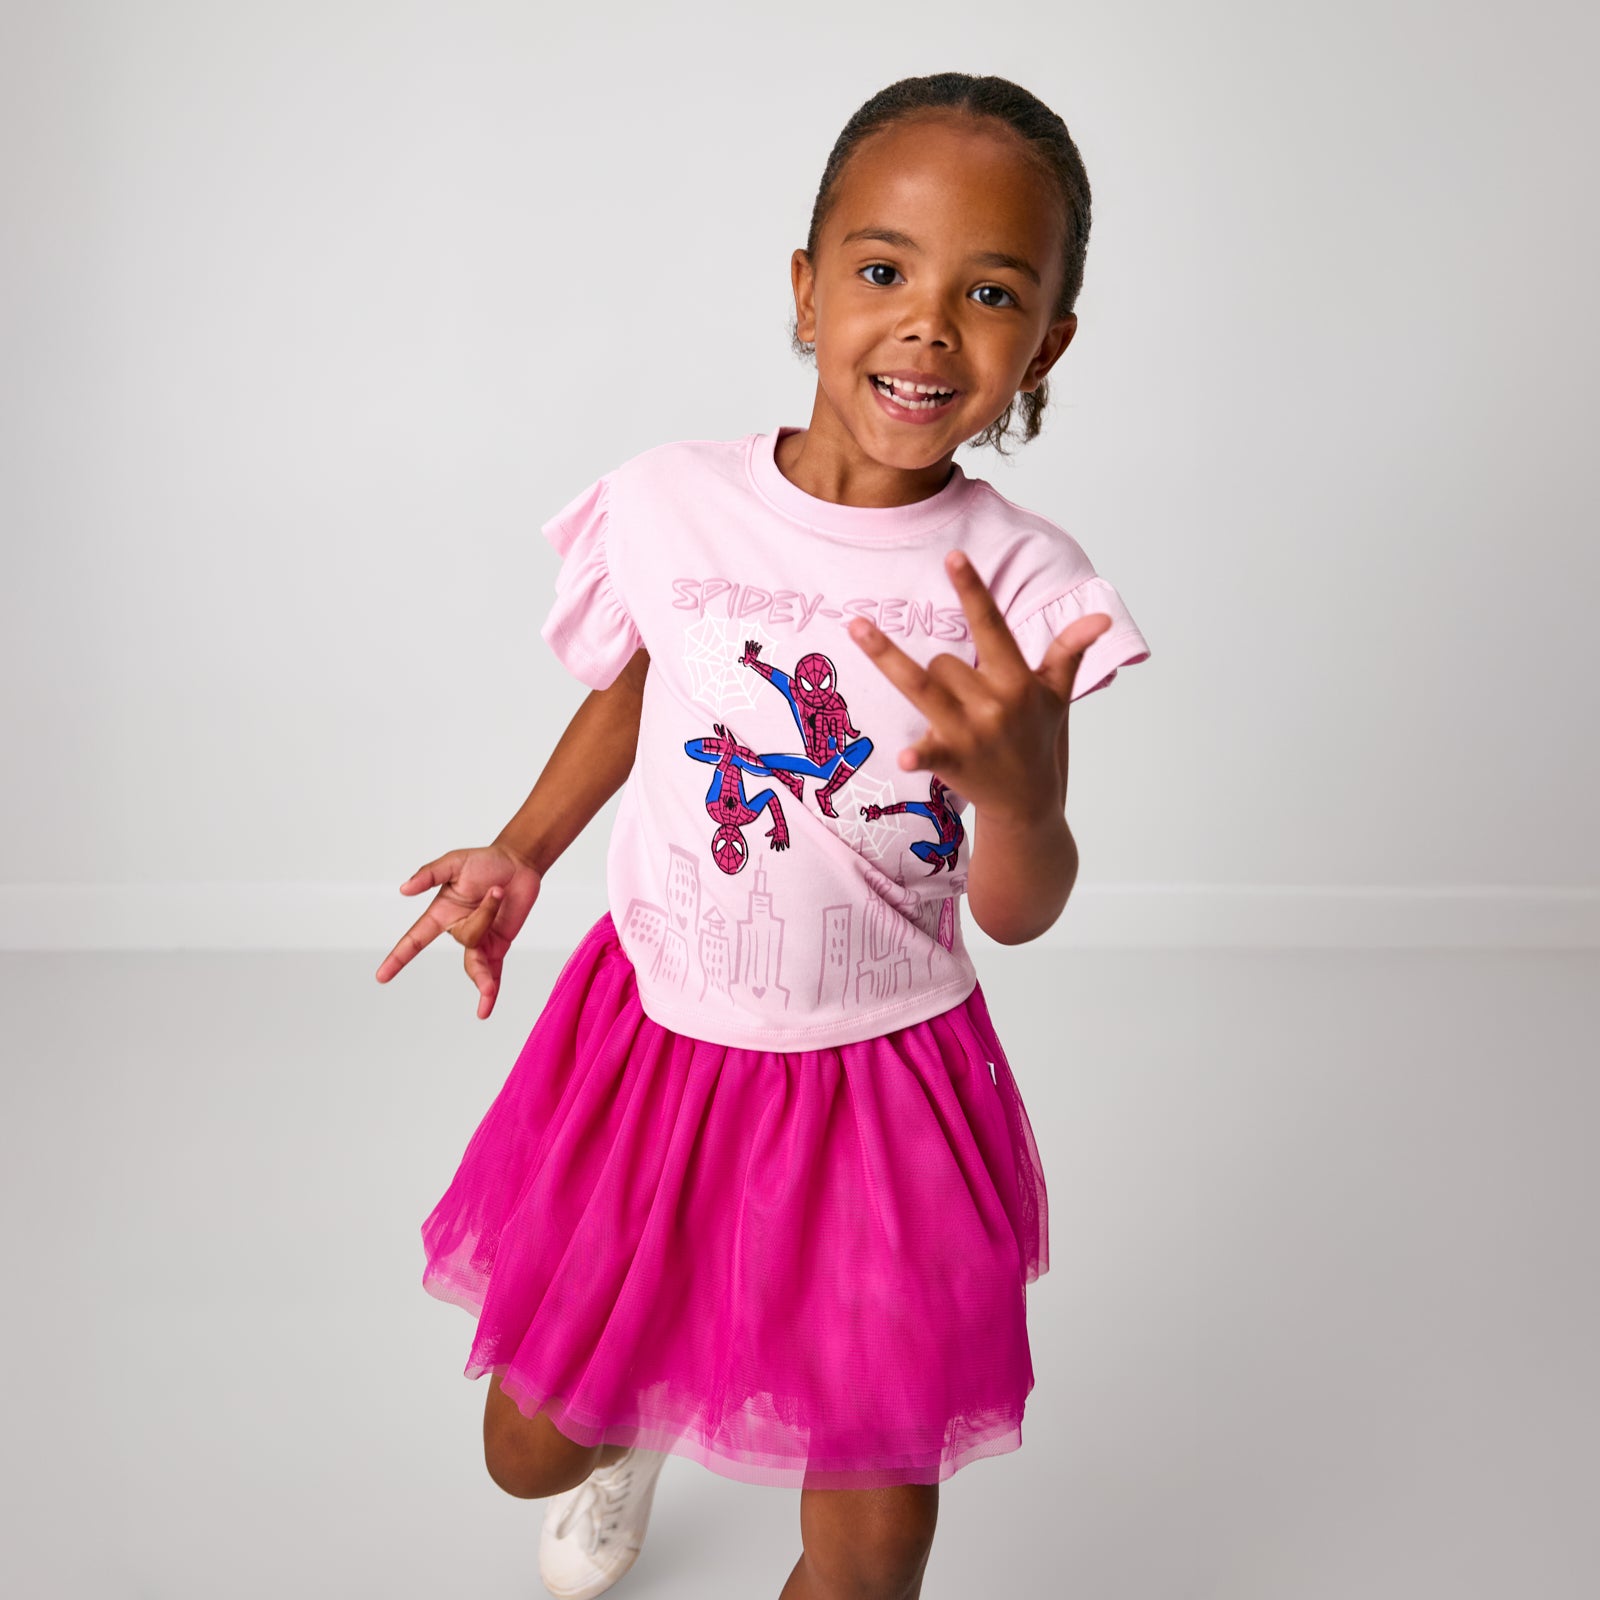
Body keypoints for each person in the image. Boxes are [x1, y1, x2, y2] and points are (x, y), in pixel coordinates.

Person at [378, 70, 1152, 1600]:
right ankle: (630, 1439)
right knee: (524, 1450)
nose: (928, 325)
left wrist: (1026, 793)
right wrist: (523, 849)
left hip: (885, 1093)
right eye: (883, 271)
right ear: (807, 293)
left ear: (1045, 343)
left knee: (870, 1559)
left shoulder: (1027, 592)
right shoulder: (672, 502)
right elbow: (641, 685)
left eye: (989, 292)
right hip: (657, 1048)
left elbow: (1022, 908)